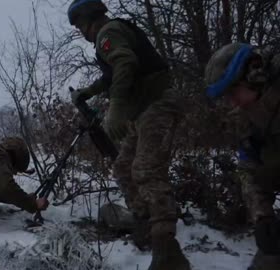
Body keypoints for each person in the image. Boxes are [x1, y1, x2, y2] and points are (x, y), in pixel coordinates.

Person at [67, 1, 189, 269]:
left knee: (146, 169)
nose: (81, 33)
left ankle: (167, 250)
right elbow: (112, 75)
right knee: (124, 167)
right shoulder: (113, 33)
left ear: (88, 20)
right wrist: (88, 92)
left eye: (80, 27)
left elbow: (125, 63)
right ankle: (146, 225)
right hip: (145, 110)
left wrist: (117, 109)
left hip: (156, 104)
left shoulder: (107, 33)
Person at [205, 42, 280, 270]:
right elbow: (247, 168)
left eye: (232, 92)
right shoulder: (246, 120)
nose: (232, 102)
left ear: (252, 75)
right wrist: (263, 217)